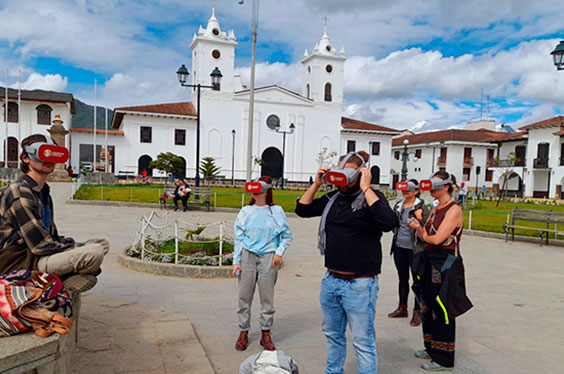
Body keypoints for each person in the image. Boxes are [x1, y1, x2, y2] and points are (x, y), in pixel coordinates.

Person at [295, 151, 399, 374]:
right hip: (331, 280)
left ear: (360, 174)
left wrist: (366, 188)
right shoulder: (334, 198)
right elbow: (302, 209)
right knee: (333, 336)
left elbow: (389, 222)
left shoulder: (373, 197)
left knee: (362, 341)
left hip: (360, 284)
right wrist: (317, 183)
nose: (342, 183)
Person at [0, 134, 109, 292]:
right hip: (18, 261)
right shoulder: (19, 191)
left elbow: (51, 237)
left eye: (52, 154)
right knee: (94, 252)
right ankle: (60, 280)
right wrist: (77, 248)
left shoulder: (43, 192)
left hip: (39, 255)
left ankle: (61, 276)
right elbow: (39, 245)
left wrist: (78, 245)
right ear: (25, 158)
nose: (49, 159)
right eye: (43, 154)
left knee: (101, 244)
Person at [408, 171, 472, 371]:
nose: (431, 188)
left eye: (435, 185)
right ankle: (431, 347)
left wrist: (421, 231)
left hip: (446, 261)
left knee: (442, 307)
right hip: (429, 259)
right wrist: (420, 228)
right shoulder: (437, 208)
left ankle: (444, 357)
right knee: (427, 304)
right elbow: (428, 234)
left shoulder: (454, 210)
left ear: (446, 187)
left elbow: (436, 239)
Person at [233, 176, 292, 352]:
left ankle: (266, 332)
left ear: (266, 190)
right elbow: (239, 237)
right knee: (244, 296)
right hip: (248, 256)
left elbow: (286, 235)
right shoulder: (245, 211)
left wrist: (279, 253)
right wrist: (237, 261)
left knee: (267, 298)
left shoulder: (276, 211)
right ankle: (243, 330)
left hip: (268, 257)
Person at [388, 179, 429, 326]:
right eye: (404, 191)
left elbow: (428, 228)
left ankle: (418, 311)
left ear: (416, 191)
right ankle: (402, 308)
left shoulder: (422, 207)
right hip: (399, 247)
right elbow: (392, 222)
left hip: (416, 249)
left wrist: (419, 218)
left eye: (409, 191)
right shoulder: (399, 205)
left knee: (417, 281)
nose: (405, 193)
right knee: (402, 278)